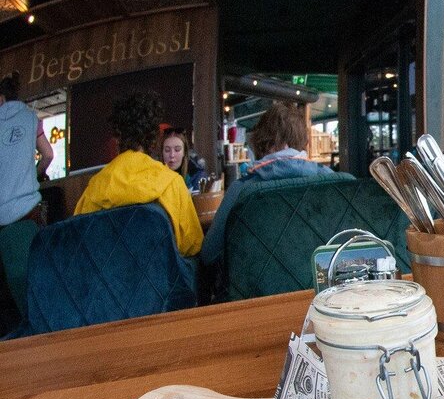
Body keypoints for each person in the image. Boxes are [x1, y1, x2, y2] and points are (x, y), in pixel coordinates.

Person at [200, 102, 331, 267]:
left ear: (265, 143)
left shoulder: (241, 190)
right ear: (301, 141)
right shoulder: (333, 181)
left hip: (255, 290)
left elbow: (209, 254)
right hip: (319, 288)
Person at [74, 91, 203, 257]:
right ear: (153, 137)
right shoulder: (172, 182)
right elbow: (192, 246)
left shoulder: (94, 187)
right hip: (160, 281)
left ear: (118, 137)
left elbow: (79, 242)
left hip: (109, 281)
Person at [0, 72, 53, 228]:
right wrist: (35, 175)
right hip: (30, 209)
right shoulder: (31, 118)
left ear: (1, 98)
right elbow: (48, 155)